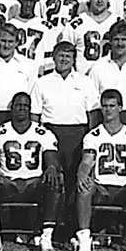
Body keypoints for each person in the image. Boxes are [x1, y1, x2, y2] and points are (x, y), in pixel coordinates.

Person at [0, 92, 63, 251]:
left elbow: (52, 159)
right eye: (18, 105)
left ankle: (46, 237)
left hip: (34, 183)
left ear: (30, 109)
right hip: (8, 182)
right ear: (12, 108)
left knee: (55, 181)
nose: (21, 109)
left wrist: (52, 168)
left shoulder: (42, 133)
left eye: (25, 106)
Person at [74, 89, 126, 251]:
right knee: (85, 187)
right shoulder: (93, 135)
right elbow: (87, 160)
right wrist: (82, 174)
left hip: (123, 188)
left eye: (112, 106)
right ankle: (84, 236)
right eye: (105, 106)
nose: (108, 110)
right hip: (101, 187)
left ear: (120, 108)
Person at [29, 41, 98, 184]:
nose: (64, 60)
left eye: (68, 56)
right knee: (51, 175)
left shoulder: (85, 82)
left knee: (73, 175)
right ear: (54, 57)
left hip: (77, 133)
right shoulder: (42, 82)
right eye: (61, 56)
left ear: (74, 60)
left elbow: (92, 112)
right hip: (50, 132)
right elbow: (35, 113)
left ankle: (71, 207)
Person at [0, 25, 35, 130]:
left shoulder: (28, 65)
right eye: (3, 41)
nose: (6, 45)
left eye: (11, 41)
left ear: (17, 43)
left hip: (18, 117)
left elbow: (31, 94)